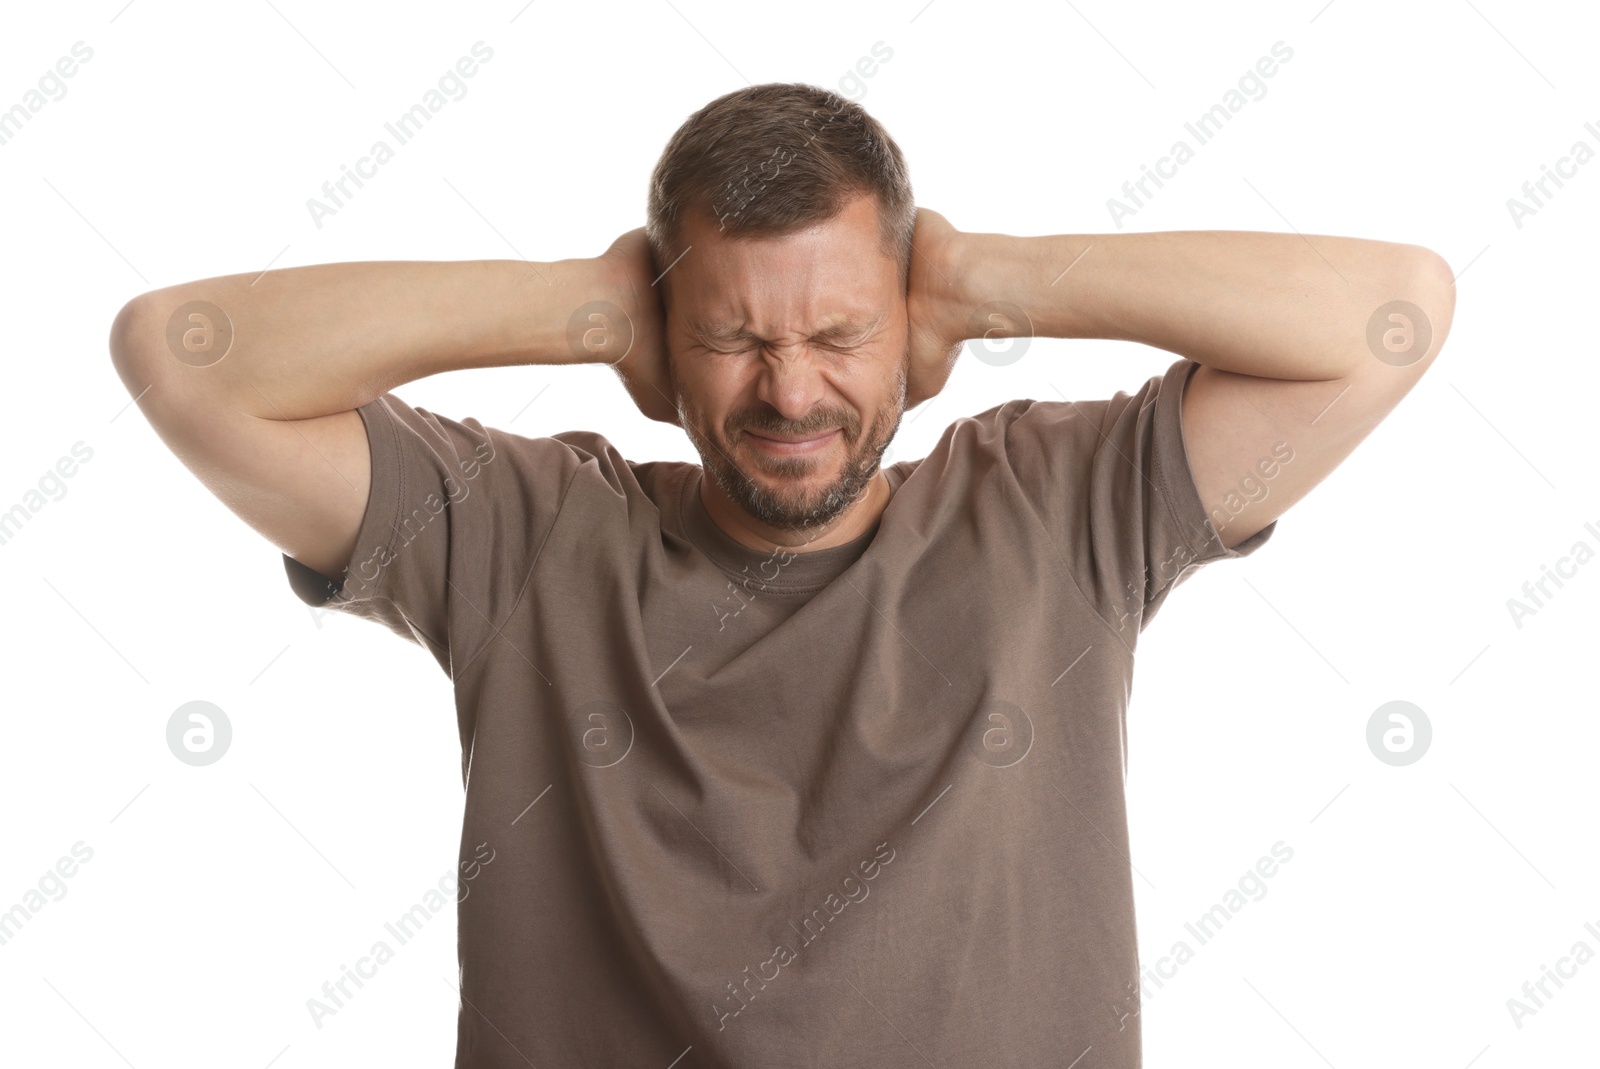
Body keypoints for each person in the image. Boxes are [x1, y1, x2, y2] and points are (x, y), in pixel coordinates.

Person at [108, 81, 1454, 1068]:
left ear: (916, 334)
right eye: (731, 334)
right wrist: (578, 303)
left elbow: (1393, 317)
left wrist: (990, 278)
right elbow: (181, 355)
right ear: (658, 343)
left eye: (841, 329)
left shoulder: (1057, 510)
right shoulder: (522, 535)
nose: (791, 388)